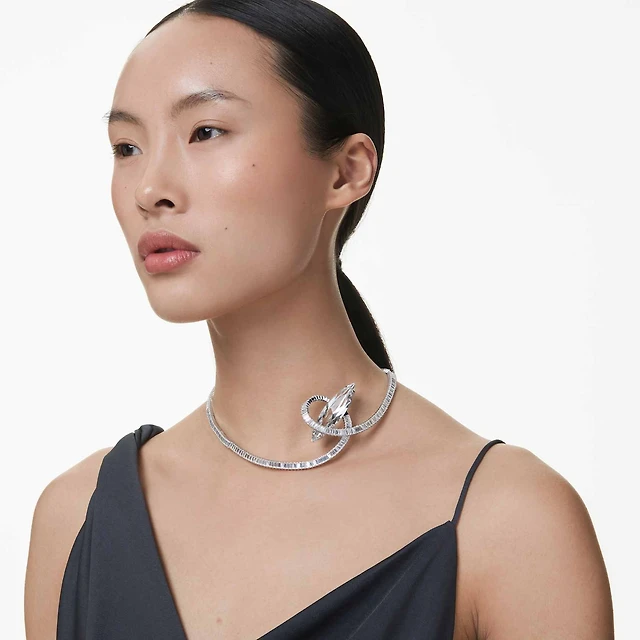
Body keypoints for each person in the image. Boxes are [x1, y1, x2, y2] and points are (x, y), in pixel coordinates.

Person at [24, 1, 614, 638]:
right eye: (127, 147)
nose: (149, 189)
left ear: (346, 170)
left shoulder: (509, 525)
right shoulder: (77, 519)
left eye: (206, 132)